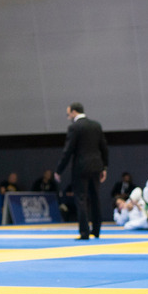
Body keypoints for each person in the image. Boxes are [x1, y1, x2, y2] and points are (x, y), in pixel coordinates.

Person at [55, 102, 108, 240]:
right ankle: (96, 230)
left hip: (81, 167)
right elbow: (104, 147)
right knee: (95, 198)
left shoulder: (74, 127)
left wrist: (59, 170)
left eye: (68, 114)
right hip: (96, 166)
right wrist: (105, 167)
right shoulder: (96, 125)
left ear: (73, 112)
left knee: (81, 198)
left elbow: (68, 151)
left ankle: (84, 232)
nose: (68, 118)